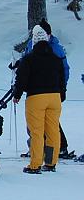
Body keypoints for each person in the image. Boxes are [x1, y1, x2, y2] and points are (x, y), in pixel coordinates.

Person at [13, 25, 66, 174]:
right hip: (54, 97)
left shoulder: (29, 59)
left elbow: (21, 78)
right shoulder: (56, 59)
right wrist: (62, 93)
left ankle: (35, 164)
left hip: (36, 97)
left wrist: (17, 94)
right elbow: (62, 78)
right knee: (53, 131)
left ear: (34, 41)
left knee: (36, 132)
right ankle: (50, 162)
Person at [22, 19, 72, 158]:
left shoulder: (54, 48)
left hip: (47, 91)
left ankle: (53, 150)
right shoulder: (33, 45)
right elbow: (27, 60)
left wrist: (62, 88)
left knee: (46, 124)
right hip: (39, 91)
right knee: (40, 123)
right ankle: (44, 152)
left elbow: (63, 70)